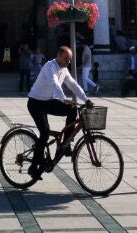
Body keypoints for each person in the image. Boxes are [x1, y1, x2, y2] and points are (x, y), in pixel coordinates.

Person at [26, 45, 90, 180]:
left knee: (72, 110)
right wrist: (63, 99)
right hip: (36, 103)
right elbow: (54, 83)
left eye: (71, 59)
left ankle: (66, 145)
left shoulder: (64, 69)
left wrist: (86, 100)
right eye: (67, 59)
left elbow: (73, 84)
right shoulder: (50, 67)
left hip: (49, 101)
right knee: (44, 133)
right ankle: (33, 167)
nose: (69, 62)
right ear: (59, 56)